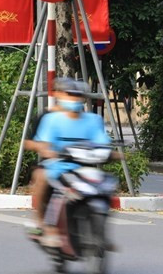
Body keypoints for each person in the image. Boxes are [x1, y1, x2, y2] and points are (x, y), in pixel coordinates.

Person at [25, 78, 112, 246]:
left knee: (105, 185)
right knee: (41, 176)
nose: (74, 98)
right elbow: (33, 142)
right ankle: (43, 223)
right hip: (55, 164)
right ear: (57, 94)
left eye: (78, 95)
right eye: (70, 94)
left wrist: (110, 153)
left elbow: (101, 141)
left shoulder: (92, 120)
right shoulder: (48, 118)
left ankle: (99, 231)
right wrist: (44, 148)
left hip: (83, 165)